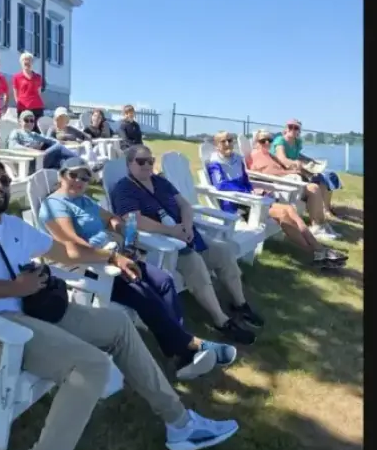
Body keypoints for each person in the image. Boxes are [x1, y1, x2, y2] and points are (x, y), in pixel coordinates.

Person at [0, 159, 240, 450]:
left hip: (28, 314)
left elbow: (66, 251)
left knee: (119, 326)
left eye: (4, 180)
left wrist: (110, 258)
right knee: (89, 365)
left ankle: (181, 425)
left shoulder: (13, 225)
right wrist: (14, 288)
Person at [39, 158, 238, 380]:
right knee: (144, 294)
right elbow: (72, 248)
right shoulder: (53, 205)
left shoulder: (84, 201)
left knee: (164, 281)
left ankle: (181, 352)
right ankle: (190, 346)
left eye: (84, 177)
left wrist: (117, 229)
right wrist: (113, 256)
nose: (79, 181)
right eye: (73, 175)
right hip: (90, 269)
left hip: (115, 256)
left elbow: (113, 218)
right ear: (61, 176)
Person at [110, 145, 261, 344]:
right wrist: (172, 231)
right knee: (195, 263)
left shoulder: (160, 181)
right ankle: (221, 320)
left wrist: (187, 226)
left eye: (150, 161)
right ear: (130, 164)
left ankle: (239, 304)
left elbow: (185, 205)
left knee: (224, 252)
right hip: (165, 245)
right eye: (140, 161)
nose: (146, 165)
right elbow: (134, 220)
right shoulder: (125, 188)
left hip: (188, 235)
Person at [206, 132, 347, 269]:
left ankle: (318, 250)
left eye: (230, 140)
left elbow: (245, 180)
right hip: (237, 206)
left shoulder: (237, 159)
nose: (227, 144)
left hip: (252, 200)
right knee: (283, 215)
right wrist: (248, 193)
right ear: (216, 145)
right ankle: (317, 251)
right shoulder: (215, 163)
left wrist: (254, 191)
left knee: (289, 209)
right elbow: (221, 185)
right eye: (223, 141)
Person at [248, 129, 336, 237]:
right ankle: (318, 226)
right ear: (256, 142)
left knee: (315, 187)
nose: (267, 143)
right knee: (313, 188)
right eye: (263, 141)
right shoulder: (256, 155)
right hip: (279, 187)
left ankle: (318, 225)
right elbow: (268, 172)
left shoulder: (270, 155)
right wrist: (291, 172)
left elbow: (283, 166)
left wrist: (298, 168)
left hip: (287, 182)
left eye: (269, 140)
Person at [271, 119, 340, 218]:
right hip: (285, 171)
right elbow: (282, 158)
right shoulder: (280, 141)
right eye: (290, 127)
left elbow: (297, 155)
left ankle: (326, 208)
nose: (293, 129)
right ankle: (319, 207)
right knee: (316, 179)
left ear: (299, 131)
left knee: (326, 177)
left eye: (296, 128)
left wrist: (310, 160)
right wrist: (295, 163)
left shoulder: (297, 142)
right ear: (286, 128)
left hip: (296, 169)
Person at [6, 110, 79, 171]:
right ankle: (80, 162)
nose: (29, 123)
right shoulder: (16, 132)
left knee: (59, 154)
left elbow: (51, 140)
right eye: (26, 120)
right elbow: (13, 146)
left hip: (40, 159)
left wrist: (66, 142)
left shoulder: (34, 134)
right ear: (20, 122)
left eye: (31, 121)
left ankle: (76, 168)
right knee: (58, 148)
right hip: (28, 163)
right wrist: (33, 151)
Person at [12, 51, 45, 131]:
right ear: (21, 63)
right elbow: (15, 94)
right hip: (23, 107)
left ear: (32, 62)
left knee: (37, 130)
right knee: (24, 130)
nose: (27, 62)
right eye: (25, 60)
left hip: (37, 107)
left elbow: (39, 92)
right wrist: (19, 105)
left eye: (29, 60)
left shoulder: (38, 77)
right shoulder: (16, 77)